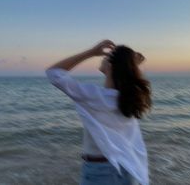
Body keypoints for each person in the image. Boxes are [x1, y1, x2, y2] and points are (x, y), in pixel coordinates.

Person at [45, 39, 152, 185]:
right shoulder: (131, 97)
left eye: (106, 57)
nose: (103, 58)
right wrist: (130, 63)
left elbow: (54, 73)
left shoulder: (95, 97)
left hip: (101, 172)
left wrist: (91, 52)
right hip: (129, 168)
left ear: (111, 65)